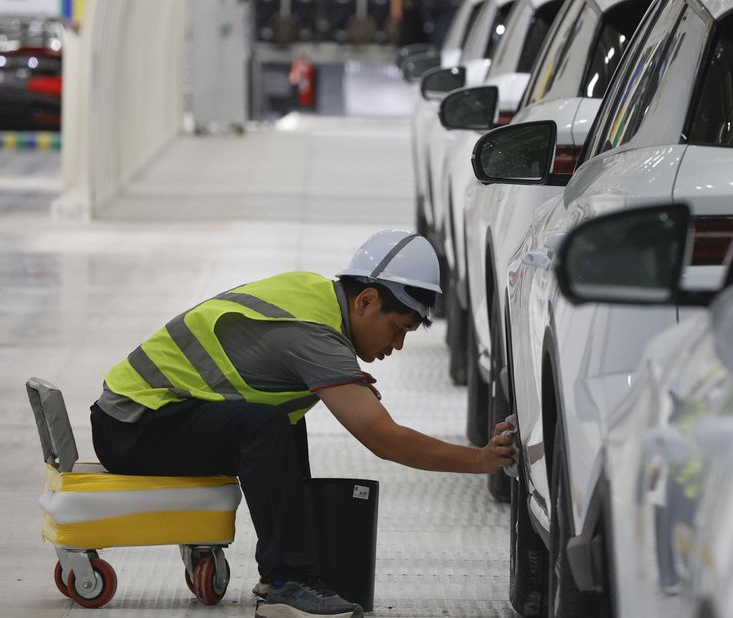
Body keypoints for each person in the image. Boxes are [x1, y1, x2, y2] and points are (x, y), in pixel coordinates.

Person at [88, 231, 515, 618]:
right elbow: (382, 439)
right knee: (265, 427)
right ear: (365, 301)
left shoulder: (316, 297)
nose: (397, 345)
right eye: (398, 328)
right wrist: (479, 460)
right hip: (133, 425)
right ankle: (287, 582)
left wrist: (333, 380)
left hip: (143, 414)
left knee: (282, 419)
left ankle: (294, 569)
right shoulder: (315, 335)